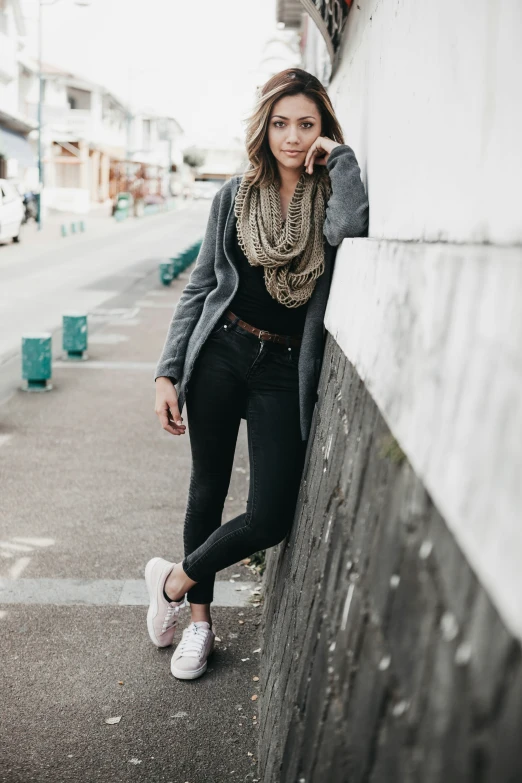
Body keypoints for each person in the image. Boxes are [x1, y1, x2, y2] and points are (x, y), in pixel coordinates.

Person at [145, 68, 369, 680]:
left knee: (270, 514)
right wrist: (168, 372)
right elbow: (200, 286)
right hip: (221, 351)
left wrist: (341, 160)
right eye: (281, 124)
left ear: (323, 129)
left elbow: (350, 229)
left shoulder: (329, 191)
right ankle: (198, 623)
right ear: (264, 127)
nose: (292, 137)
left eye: (307, 124)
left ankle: (170, 581)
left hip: (284, 364)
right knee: (207, 489)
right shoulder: (233, 196)